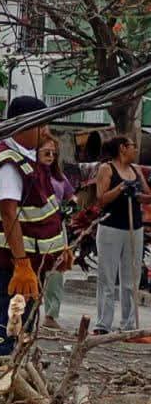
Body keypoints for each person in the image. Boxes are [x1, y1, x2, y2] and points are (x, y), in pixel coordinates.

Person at [0, 96, 70, 357]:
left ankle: (15, 374)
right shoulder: (9, 164)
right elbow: (9, 215)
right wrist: (21, 264)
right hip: (16, 265)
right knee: (12, 326)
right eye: (41, 124)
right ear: (23, 125)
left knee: (25, 328)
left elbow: (46, 210)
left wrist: (60, 249)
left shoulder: (30, 159)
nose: (45, 131)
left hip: (34, 263)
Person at [91, 134, 149, 334]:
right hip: (111, 228)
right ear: (123, 148)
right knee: (107, 277)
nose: (136, 149)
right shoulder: (106, 168)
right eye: (133, 146)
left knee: (131, 278)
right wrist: (120, 188)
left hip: (134, 228)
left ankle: (129, 325)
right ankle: (103, 324)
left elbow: (147, 196)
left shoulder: (136, 169)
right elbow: (101, 199)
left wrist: (138, 194)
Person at [37, 134, 76, 330]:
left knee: (56, 272)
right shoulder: (31, 175)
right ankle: (26, 312)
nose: (51, 156)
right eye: (46, 152)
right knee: (34, 270)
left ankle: (51, 314)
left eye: (54, 153)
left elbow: (71, 196)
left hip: (57, 228)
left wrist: (72, 206)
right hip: (34, 227)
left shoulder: (59, 177)